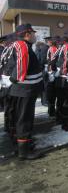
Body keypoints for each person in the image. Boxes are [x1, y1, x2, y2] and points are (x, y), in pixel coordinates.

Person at [7, 24, 43, 160]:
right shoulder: (22, 45)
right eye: (33, 33)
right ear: (27, 34)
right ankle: (24, 151)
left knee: (22, 119)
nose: (34, 35)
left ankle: (23, 145)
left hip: (24, 89)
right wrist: (15, 78)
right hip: (25, 89)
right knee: (25, 120)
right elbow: (21, 66)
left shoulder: (19, 44)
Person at [55, 29, 68, 133]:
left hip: (60, 79)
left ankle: (61, 121)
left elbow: (53, 61)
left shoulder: (60, 48)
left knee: (61, 101)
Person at [46, 36, 59, 118]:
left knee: (51, 93)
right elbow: (52, 61)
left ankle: (51, 111)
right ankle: (52, 111)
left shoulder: (51, 48)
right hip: (53, 72)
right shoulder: (53, 49)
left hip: (50, 71)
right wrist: (51, 72)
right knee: (52, 92)